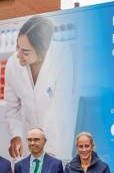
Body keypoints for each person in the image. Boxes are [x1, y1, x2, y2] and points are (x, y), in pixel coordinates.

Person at [4, 16, 75, 161]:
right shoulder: (12, 64)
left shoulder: (62, 55)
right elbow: (12, 108)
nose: (18, 56)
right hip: (26, 139)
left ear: (43, 51)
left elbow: (61, 107)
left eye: (25, 52)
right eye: (18, 47)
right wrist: (16, 135)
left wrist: (50, 146)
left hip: (56, 140)